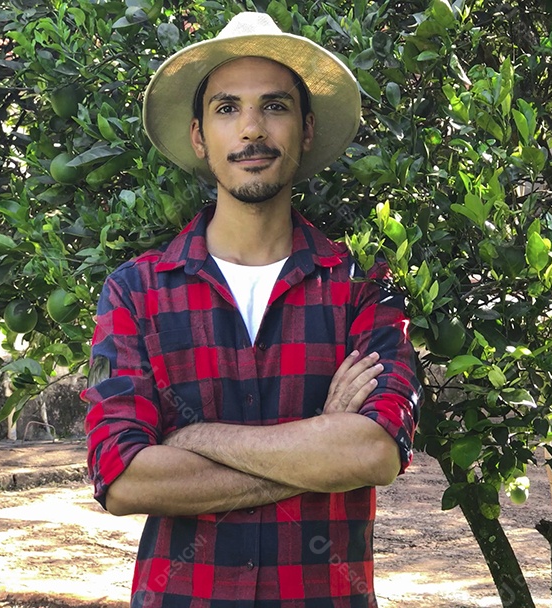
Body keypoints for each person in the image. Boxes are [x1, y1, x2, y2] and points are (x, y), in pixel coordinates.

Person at [82, 12, 420, 607]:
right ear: (198, 136)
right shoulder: (136, 292)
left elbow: (374, 452)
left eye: (275, 106)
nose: (252, 129)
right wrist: (317, 443)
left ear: (306, 130)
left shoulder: (363, 286)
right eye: (226, 108)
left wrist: (193, 437)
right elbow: (123, 477)